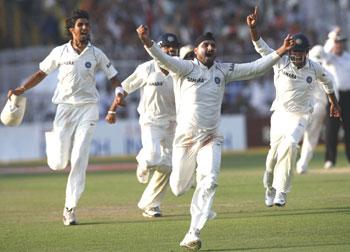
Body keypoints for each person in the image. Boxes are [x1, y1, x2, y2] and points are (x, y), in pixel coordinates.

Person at [137, 23, 295, 250]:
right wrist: (146, 40)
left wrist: (280, 51)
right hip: (185, 139)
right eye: (205, 45)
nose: (210, 48)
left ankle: (193, 232)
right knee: (178, 188)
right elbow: (162, 57)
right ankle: (184, 188)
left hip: (211, 138)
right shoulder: (184, 68)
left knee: (210, 181)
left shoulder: (223, 70)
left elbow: (255, 68)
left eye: (212, 45)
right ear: (197, 49)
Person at [7, 9, 123, 226]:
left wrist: (118, 92)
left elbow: (114, 76)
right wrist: (22, 89)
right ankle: (54, 141)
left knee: (79, 158)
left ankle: (70, 208)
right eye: (80, 25)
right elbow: (41, 73)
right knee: (59, 163)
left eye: (87, 25)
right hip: (64, 109)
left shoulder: (97, 53)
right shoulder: (59, 52)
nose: (85, 28)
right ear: (72, 30)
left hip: (88, 108)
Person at [247, 7, 340, 208]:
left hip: (301, 115)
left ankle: (282, 191)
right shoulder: (280, 61)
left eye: (301, 52)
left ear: (306, 53)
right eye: (294, 52)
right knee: (272, 158)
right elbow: (260, 47)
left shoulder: (314, 67)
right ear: (290, 51)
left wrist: (333, 102)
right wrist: (254, 29)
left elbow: (328, 83)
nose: (297, 56)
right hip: (279, 115)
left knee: (291, 145)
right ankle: (269, 187)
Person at [105, 33, 179, 218]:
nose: (170, 51)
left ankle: (151, 205)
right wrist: (112, 110)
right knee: (153, 157)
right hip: (151, 121)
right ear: (159, 50)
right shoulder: (146, 68)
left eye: (174, 49)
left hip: (173, 122)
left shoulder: (181, 68)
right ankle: (143, 159)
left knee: (169, 167)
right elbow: (124, 88)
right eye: (167, 48)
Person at [296, 45, 329, 174]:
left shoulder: (302, 69)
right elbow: (333, 91)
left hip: (303, 105)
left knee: (296, 133)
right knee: (311, 137)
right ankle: (302, 165)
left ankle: (286, 158)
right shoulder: (325, 70)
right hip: (319, 107)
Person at [322, 28, 350, 169]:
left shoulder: (348, 57)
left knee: (348, 130)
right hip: (334, 96)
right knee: (331, 129)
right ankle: (330, 160)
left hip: (348, 96)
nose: (339, 44)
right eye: (337, 42)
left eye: (341, 42)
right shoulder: (329, 57)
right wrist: (332, 36)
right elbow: (322, 53)